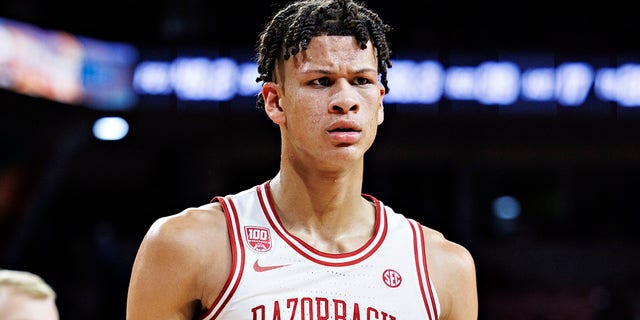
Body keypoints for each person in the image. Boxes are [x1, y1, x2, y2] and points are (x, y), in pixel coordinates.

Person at [126, 0, 478, 319]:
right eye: (321, 81)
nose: (346, 100)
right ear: (274, 102)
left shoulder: (443, 267)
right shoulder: (185, 245)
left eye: (361, 81)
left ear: (380, 103)